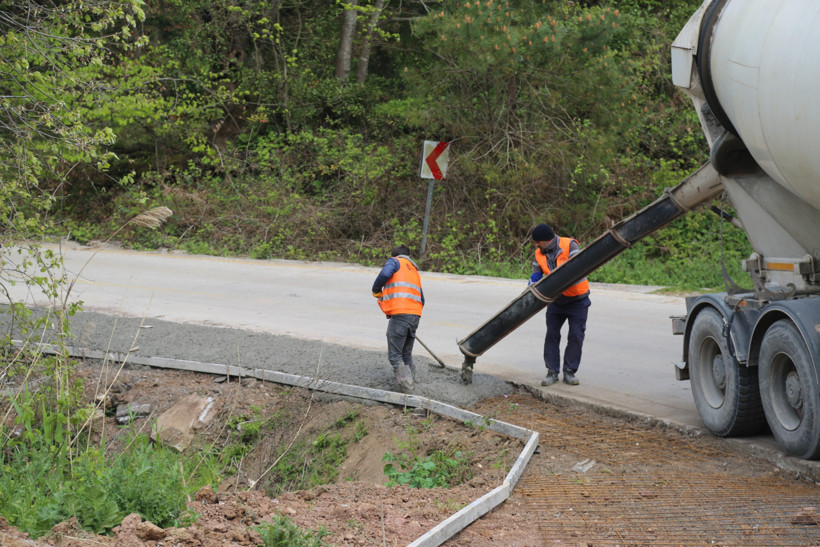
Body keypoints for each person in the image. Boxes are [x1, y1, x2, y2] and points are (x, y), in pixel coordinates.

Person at [529, 223, 591, 386]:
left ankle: (569, 372)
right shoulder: (538, 253)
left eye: (537, 241)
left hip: (578, 299)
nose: (536, 245)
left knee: (576, 335)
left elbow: (577, 267)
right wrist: (530, 287)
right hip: (556, 300)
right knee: (552, 334)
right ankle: (552, 372)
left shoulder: (570, 245)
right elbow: (535, 276)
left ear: (546, 240)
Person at [372, 245, 424, 393]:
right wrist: (411, 316)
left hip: (401, 316)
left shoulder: (395, 262)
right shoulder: (413, 270)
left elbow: (385, 274)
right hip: (414, 315)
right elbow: (422, 298)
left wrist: (376, 289)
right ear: (409, 255)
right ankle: (412, 384)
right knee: (406, 354)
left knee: (395, 357)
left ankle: (408, 391)